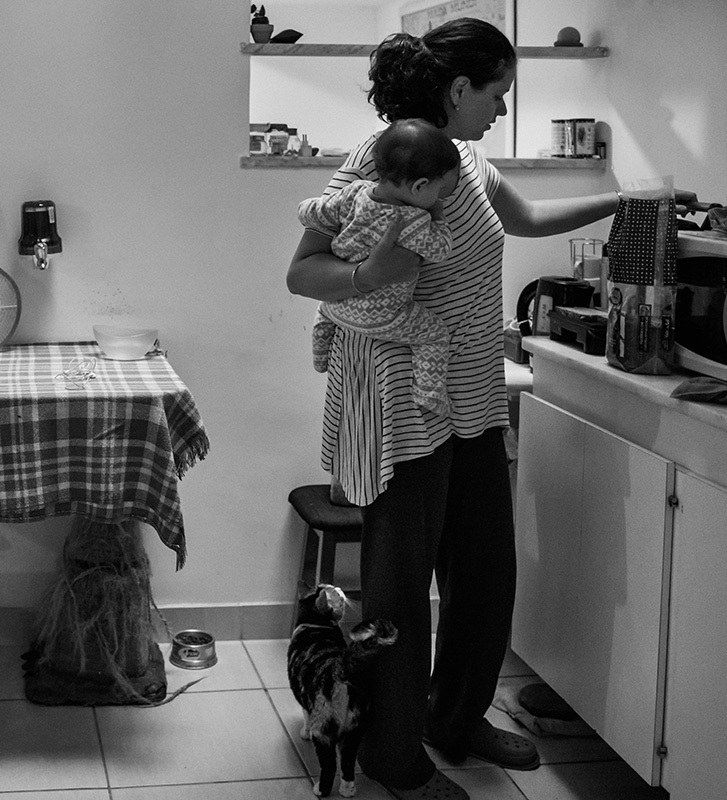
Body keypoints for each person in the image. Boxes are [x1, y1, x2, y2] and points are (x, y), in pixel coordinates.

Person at [285, 18, 699, 800]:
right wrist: (371, 275)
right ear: (458, 89)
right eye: (498, 93)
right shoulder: (384, 160)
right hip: (407, 408)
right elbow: (303, 274)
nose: (503, 110)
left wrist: (630, 201)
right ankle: (395, 757)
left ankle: (455, 717)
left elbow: (527, 220)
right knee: (402, 592)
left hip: (473, 395)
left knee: (484, 575)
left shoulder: (466, 161)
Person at [299, 118, 461, 417]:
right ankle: (429, 394)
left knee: (324, 309)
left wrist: (304, 208)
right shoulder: (413, 220)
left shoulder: (355, 192)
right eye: (439, 191)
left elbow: (319, 211)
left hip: (338, 306)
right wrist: (438, 218)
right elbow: (440, 250)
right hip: (385, 316)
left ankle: (320, 355)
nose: (440, 199)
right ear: (420, 186)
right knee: (434, 333)